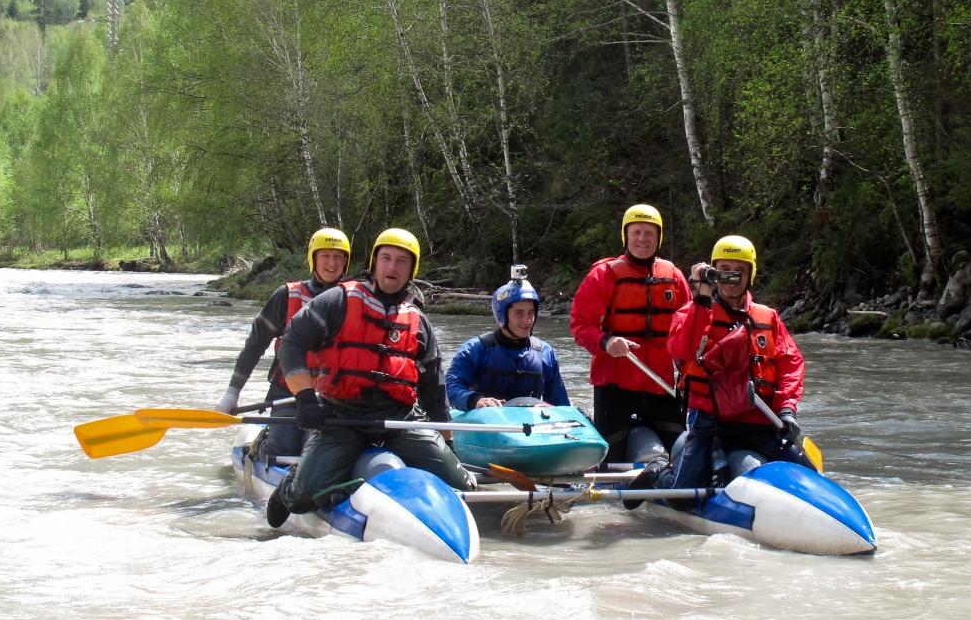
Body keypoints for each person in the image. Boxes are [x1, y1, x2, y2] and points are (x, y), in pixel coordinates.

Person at [266, 227, 475, 528]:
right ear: (374, 263)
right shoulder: (338, 300)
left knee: (461, 485)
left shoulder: (418, 321)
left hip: (400, 419)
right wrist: (306, 399)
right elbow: (291, 345)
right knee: (303, 497)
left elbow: (434, 389)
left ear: (411, 270)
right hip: (342, 416)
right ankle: (293, 479)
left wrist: (447, 442)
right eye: (386, 258)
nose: (393, 267)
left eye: (402, 261)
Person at [632, 235, 814, 502]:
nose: (731, 278)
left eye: (739, 271)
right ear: (714, 273)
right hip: (709, 422)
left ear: (750, 275)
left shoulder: (767, 317)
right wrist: (702, 299)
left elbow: (790, 364)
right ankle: (658, 471)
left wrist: (787, 408)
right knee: (680, 497)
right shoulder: (692, 312)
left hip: (759, 421)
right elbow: (682, 349)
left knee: (809, 473)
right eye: (724, 270)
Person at [215, 228, 351, 461]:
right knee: (284, 446)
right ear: (313, 259)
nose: (332, 263)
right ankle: (262, 444)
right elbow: (255, 344)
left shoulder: (354, 299)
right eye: (325, 256)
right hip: (289, 392)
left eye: (338, 256)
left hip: (333, 394)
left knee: (318, 447)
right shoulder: (287, 296)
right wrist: (232, 392)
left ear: (346, 262)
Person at [570, 204, 691, 463]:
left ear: (658, 238)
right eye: (636, 232)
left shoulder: (673, 276)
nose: (642, 239)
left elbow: (688, 332)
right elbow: (580, 326)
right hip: (615, 385)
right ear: (625, 236)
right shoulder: (604, 274)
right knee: (611, 457)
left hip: (660, 384)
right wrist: (606, 340)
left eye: (649, 233)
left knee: (682, 452)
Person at [446, 269, 570, 411]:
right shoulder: (475, 349)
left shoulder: (546, 353)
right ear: (502, 315)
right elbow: (451, 387)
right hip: (487, 420)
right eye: (519, 313)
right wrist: (475, 400)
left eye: (531, 313)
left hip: (530, 422)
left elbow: (561, 405)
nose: (527, 321)